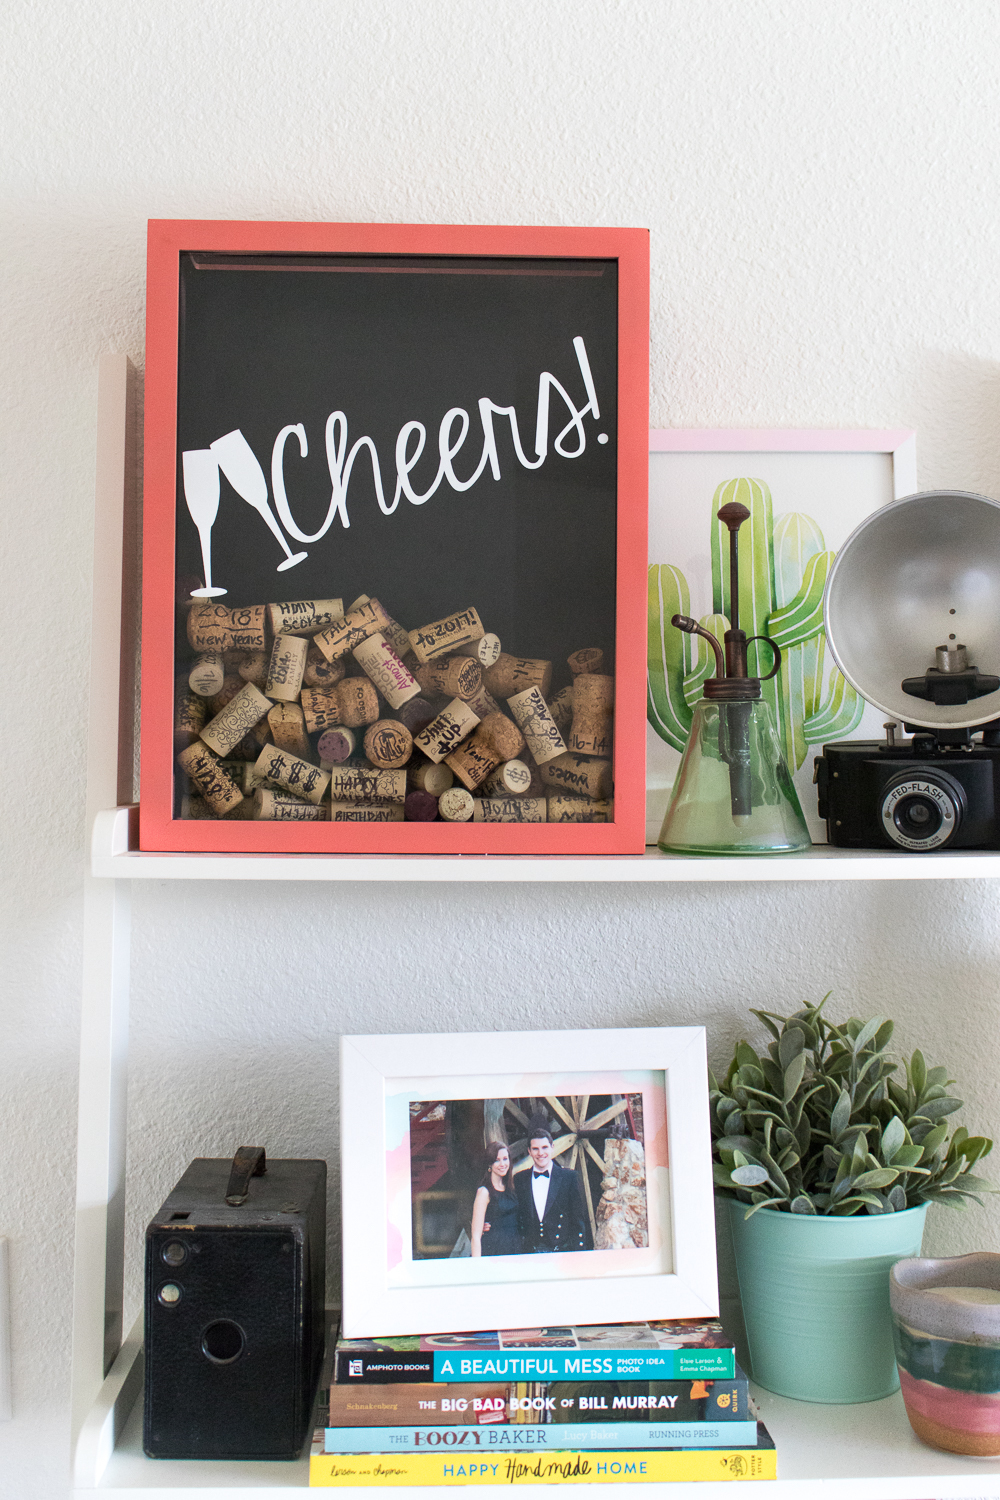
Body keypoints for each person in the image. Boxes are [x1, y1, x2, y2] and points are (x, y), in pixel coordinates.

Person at [514, 1120, 593, 1253]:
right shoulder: (520, 1179)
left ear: (552, 1147)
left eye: (545, 1147)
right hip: (529, 1254)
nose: (540, 1153)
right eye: (535, 1149)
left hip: (561, 1252)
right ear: (529, 1151)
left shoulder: (570, 1177)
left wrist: (580, 1256)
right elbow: (513, 1215)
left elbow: (578, 1222)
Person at [470, 1141, 522, 1256]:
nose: (502, 1164)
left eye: (505, 1159)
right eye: (497, 1160)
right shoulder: (484, 1192)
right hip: (493, 1249)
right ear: (490, 1164)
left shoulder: (512, 1188)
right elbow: (476, 1236)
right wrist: (476, 1266)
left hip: (514, 1248)